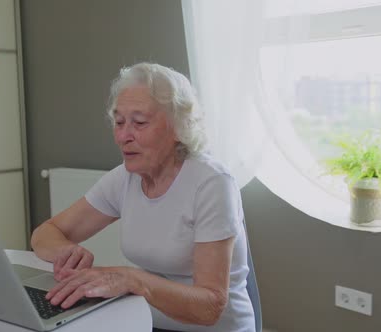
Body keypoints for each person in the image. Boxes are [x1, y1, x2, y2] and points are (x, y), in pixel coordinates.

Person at [31, 62, 255, 332]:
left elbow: (210, 306)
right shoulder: (125, 178)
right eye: (119, 122)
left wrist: (132, 279)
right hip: (142, 323)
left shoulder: (211, 183)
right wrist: (66, 252)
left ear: (178, 127)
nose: (124, 136)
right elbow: (45, 233)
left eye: (139, 123)